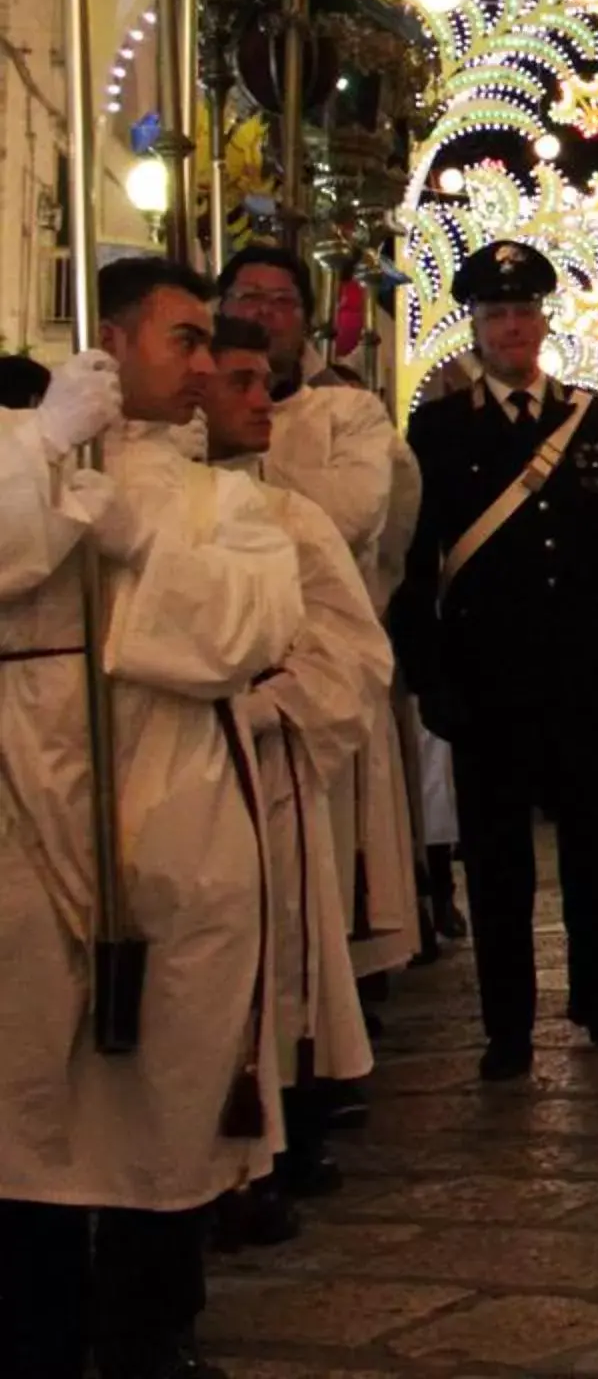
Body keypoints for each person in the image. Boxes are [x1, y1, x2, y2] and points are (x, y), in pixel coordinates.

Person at [0, 258, 304, 1379]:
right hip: (31, 805)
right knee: (27, 1087)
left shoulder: (224, 496)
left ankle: (146, 1327)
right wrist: (40, 446)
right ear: (112, 340)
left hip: (171, 803)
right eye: (180, 338)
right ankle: (31, 1326)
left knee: (162, 1085)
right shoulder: (20, 446)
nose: (200, 362)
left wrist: (137, 535)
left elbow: (253, 624)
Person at [390, 241, 598, 1081]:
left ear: (543, 323)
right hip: (489, 680)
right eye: (495, 317)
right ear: (475, 328)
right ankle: (506, 1026)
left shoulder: (593, 419)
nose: (511, 328)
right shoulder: (439, 429)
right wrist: (429, 673)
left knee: (592, 846)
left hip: (584, 671)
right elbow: (417, 560)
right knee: (499, 860)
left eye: (522, 314)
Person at [199, 318, 391, 1234]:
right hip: (175, 777)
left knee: (277, 958)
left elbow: (353, 648)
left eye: (263, 381)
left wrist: (275, 706)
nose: (258, 399)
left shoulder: (291, 516)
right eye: (236, 381)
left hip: (266, 765)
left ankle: (272, 1133)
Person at [217, 245, 426, 994]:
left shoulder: (346, 409)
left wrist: (245, 487)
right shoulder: (195, 414)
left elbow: (359, 516)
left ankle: (335, 1009)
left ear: (304, 317)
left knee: (333, 860)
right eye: (246, 297)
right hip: (231, 663)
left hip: (323, 660)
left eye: (279, 301)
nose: (262, 313)